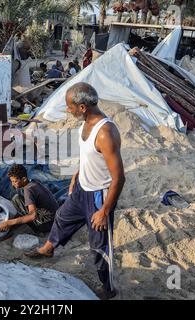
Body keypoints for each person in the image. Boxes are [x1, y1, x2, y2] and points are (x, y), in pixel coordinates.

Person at [26, 83, 126, 300]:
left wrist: (104, 211)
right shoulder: (84, 125)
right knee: (62, 216)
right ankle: (48, 248)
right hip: (82, 187)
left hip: (99, 196)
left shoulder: (105, 133)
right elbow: (88, 155)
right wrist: (76, 175)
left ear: (82, 107)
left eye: (69, 106)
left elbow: (119, 178)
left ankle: (109, 289)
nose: (67, 110)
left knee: (98, 247)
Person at [0, 164, 58, 234]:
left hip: (47, 224)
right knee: (18, 197)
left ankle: (37, 230)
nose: (12, 184)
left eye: (15, 181)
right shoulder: (34, 181)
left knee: (16, 199)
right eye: (12, 181)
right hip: (55, 218)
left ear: (24, 179)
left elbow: (32, 216)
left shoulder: (28, 190)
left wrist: (9, 222)